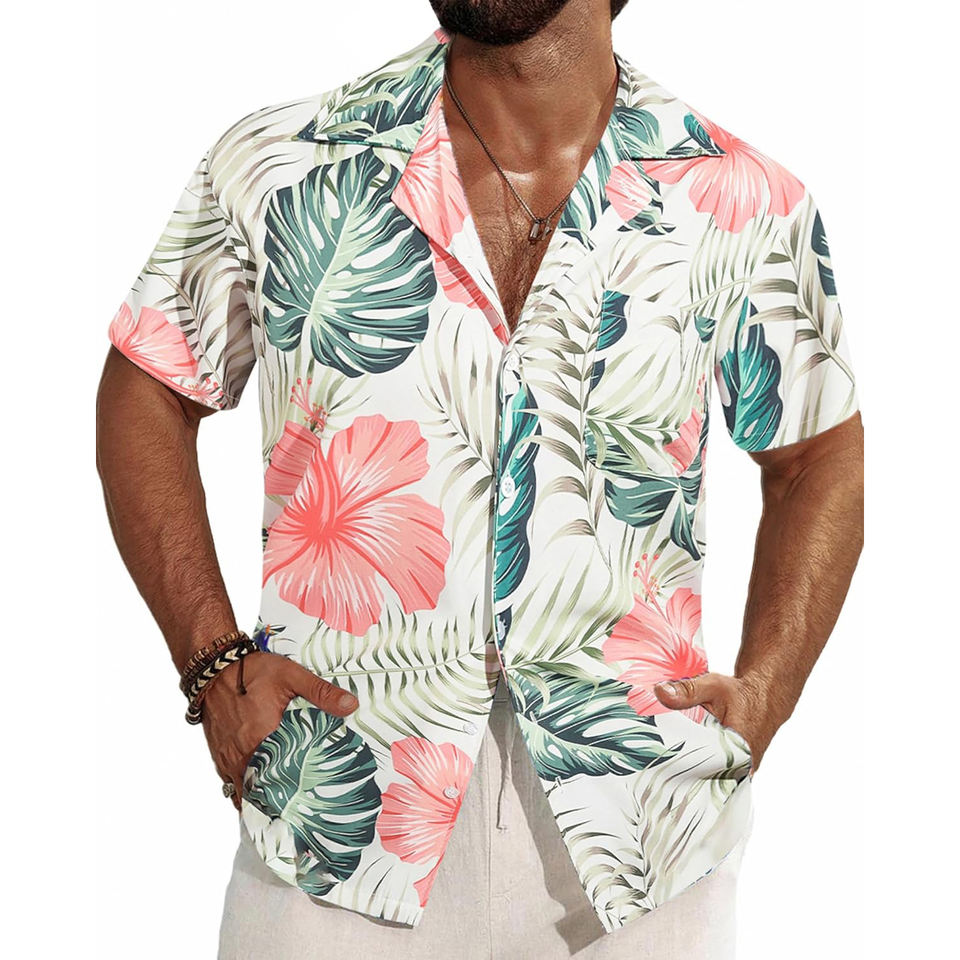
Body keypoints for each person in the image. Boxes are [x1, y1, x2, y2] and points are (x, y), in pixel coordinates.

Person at [95, 0, 864, 957]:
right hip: (334, 818)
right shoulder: (280, 165)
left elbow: (815, 455)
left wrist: (766, 696)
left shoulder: (743, 201)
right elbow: (149, 387)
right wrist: (212, 662)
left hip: (642, 837)